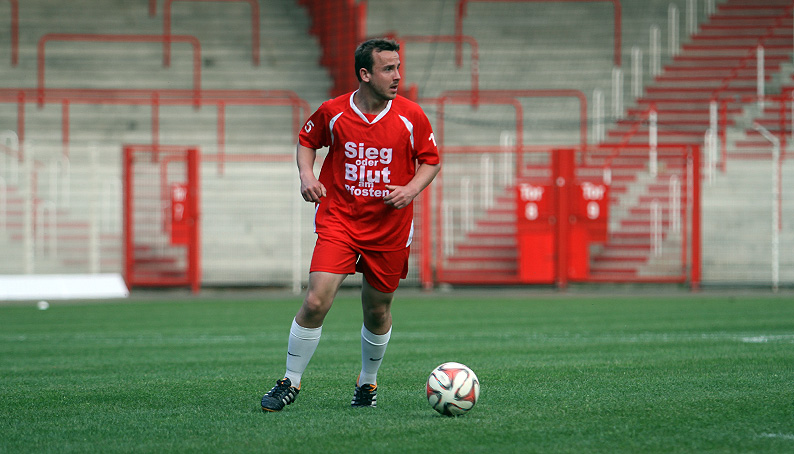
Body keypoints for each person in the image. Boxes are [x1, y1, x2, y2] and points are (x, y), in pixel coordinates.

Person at [261, 38, 441, 412]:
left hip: (389, 228)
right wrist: (307, 175)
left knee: (377, 311)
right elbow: (307, 140)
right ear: (365, 74)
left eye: (398, 67)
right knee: (315, 300)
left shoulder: (411, 116)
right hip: (340, 220)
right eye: (388, 69)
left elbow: (431, 160)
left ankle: (367, 382)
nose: (397, 76)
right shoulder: (334, 111)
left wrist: (411, 189)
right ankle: (290, 381)